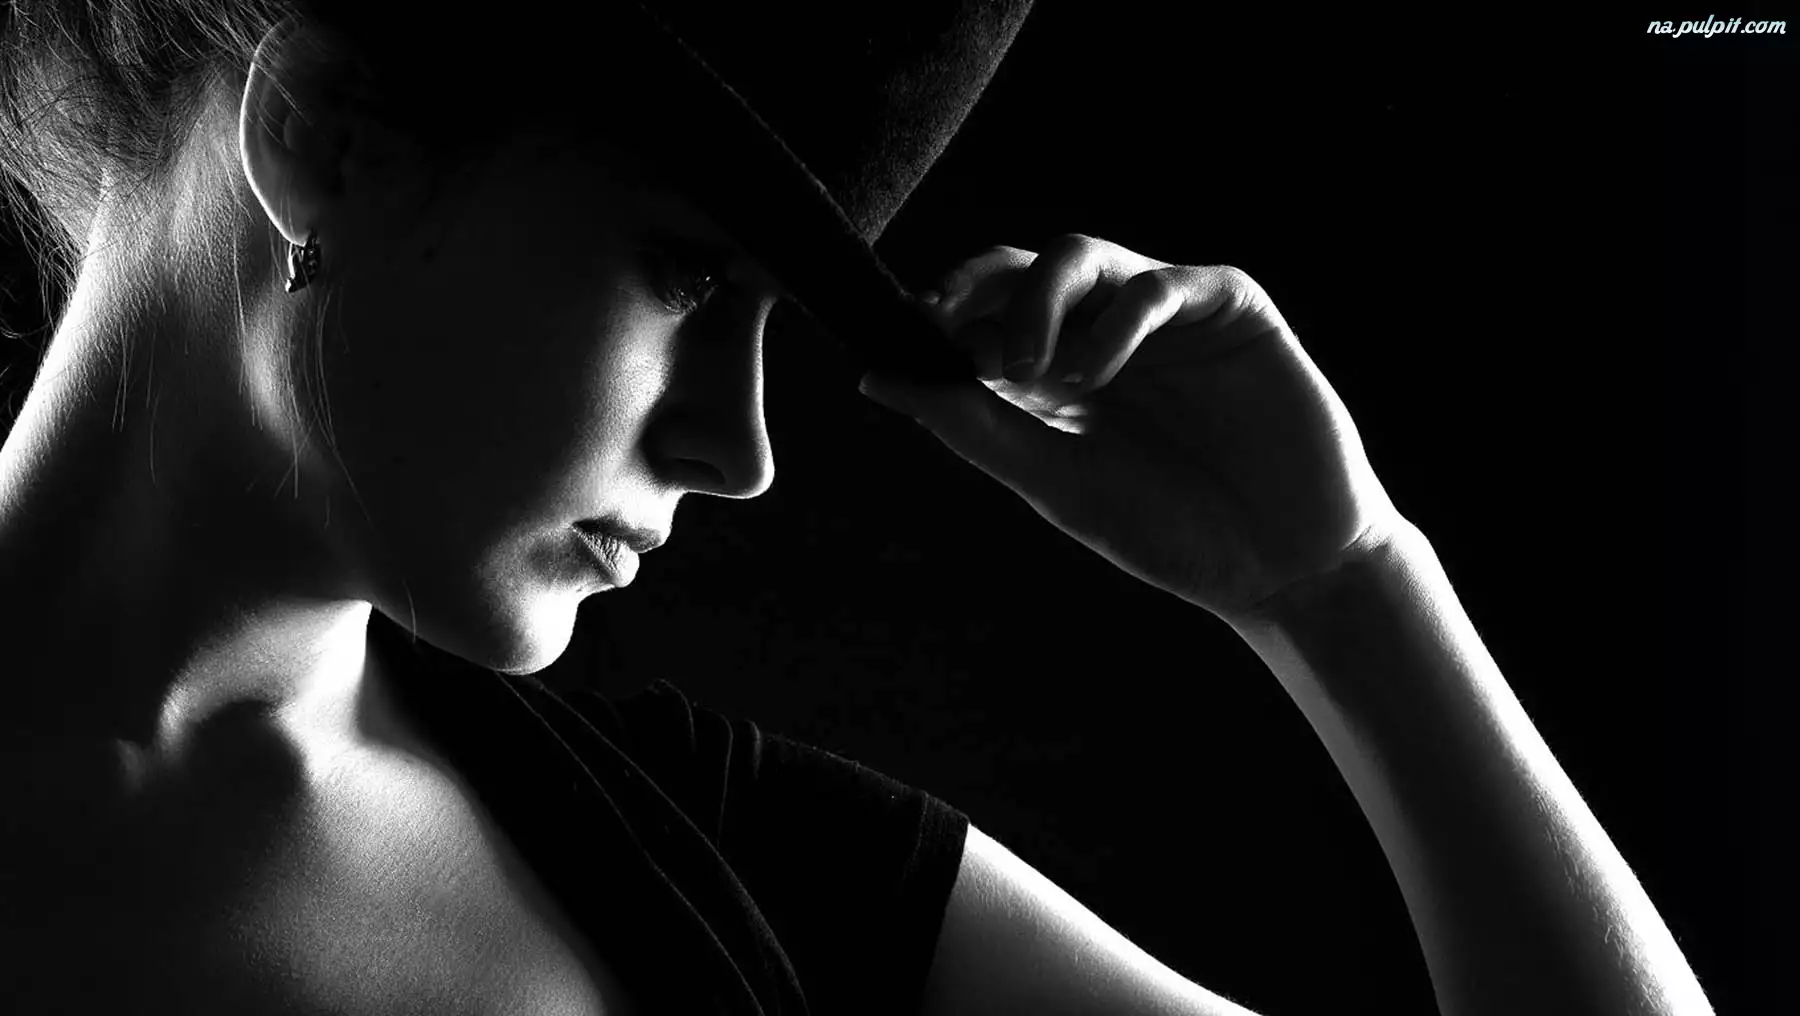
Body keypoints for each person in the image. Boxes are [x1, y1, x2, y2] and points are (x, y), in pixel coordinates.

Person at [0, 1, 1715, 1014]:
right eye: (688, 276)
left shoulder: (746, 872)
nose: (741, 447)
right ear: (324, 137)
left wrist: (1347, 586)